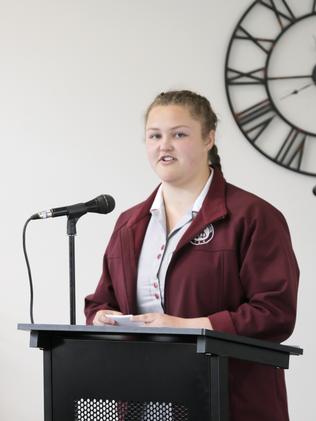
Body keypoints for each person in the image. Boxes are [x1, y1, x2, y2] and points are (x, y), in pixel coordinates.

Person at [85, 90, 299, 421]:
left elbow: (275, 312)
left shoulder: (253, 216)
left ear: (209, 138)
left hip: (228, 402)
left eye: (179, 134)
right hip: (145, 402)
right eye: (154, 135)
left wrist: (192, 326)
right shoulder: (129, 224)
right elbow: (101, 300)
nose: (164, 145)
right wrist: (101, 317)